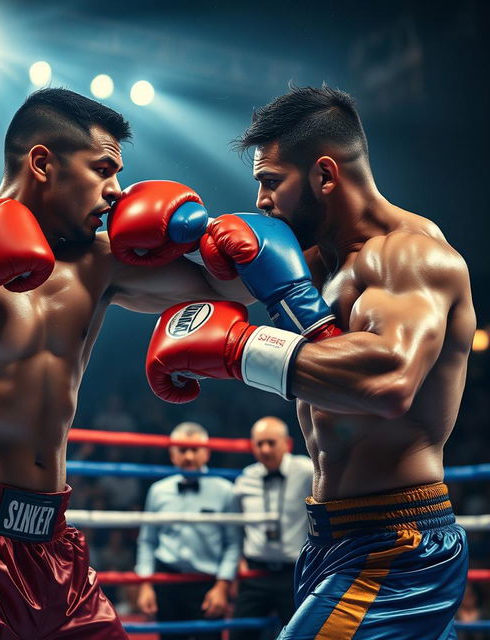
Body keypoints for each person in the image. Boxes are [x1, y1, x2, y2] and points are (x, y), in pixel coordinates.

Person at [0, 87, 248, 639]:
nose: (117, 191)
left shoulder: (101, 263)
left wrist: (198, 233)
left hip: (54, 545)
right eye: (103, 169)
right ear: (42, 162)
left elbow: (236, 288)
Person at [144, 86, 476, 638]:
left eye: (271, 181)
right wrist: (129, 246)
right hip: (329, 535)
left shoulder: (410, 256)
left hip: (397, 543)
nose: (261, 199)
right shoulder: (319, 260)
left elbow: (391, 379)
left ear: (325, 175)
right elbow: (187, 290)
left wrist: (242, 349)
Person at [135, 421, 242, 640]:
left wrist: (222, 586)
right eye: (183, 450)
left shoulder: (225, 491)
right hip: (167, 581)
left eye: (195, 450)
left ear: (207, 453)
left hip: (208, 584)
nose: (189, 457)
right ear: (172, 454)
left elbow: (233, 543)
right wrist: (145, 584)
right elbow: (147, 541)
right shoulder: (158, 491)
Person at [230, 416, 312, 639]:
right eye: (259, 443)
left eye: (271, 442)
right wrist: (238, 560)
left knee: (301, 635)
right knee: (239, 634)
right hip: (255, 574)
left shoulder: (306, 471)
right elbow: (237, 526)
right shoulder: (245, 480)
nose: (265, 449)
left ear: (287, 443)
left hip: (294, 574)